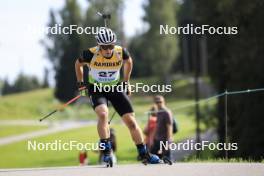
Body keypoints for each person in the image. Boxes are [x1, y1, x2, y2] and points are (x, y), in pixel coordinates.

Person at [75, 27, 159, 165]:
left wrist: (126, 82)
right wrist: (81, 84)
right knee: (103, 114)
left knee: (131, 121)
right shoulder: (90, 54)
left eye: (111, 45)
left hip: (114, 87)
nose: (108, 49)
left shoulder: (121, 52)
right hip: (97, 89)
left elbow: (129, 62)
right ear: (99, 46)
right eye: (105, 47)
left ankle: (144, 154)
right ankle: (106, 152)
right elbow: (78, 64)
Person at [150, 95, 173, 160]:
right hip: (157, 139)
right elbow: (157, 126)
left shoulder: (166, 112)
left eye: (160, 102)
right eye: (157, 102)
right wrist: (152, 138)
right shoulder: (158, 112)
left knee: (167, 159)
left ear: (164, 102)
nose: (159, 103)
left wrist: (168, 141)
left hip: (164, 140)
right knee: (153, 158)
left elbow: (169, 126)